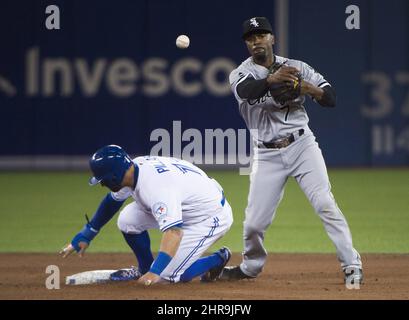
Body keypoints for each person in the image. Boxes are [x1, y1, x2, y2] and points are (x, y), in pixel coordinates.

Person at [220, 17, 363, 285]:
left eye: (262, 35)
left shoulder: (296, 67)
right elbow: (247, 91)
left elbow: (330, 98)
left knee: (324, 203)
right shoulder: (241, 73)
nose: (257, 41)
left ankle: (351, 264)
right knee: (253, 224)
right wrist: (272, 79)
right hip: (266, 154)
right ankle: (250, 267)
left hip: (301, 145)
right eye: (251, 38)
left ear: (272, 38)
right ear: (247, 45)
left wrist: (307, 88)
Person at [60, 145, 233, 285]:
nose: (102, 184)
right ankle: (144, 268)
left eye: (102, 180)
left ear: (113, 176)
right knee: (127, 220)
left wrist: (155, 272)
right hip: (185, 205)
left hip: (208, 217)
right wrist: (87, 234)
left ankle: (218, 259)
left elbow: (174, 233)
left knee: (166, 276)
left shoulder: (157, 189)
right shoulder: (131, 170)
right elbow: (112, 201)